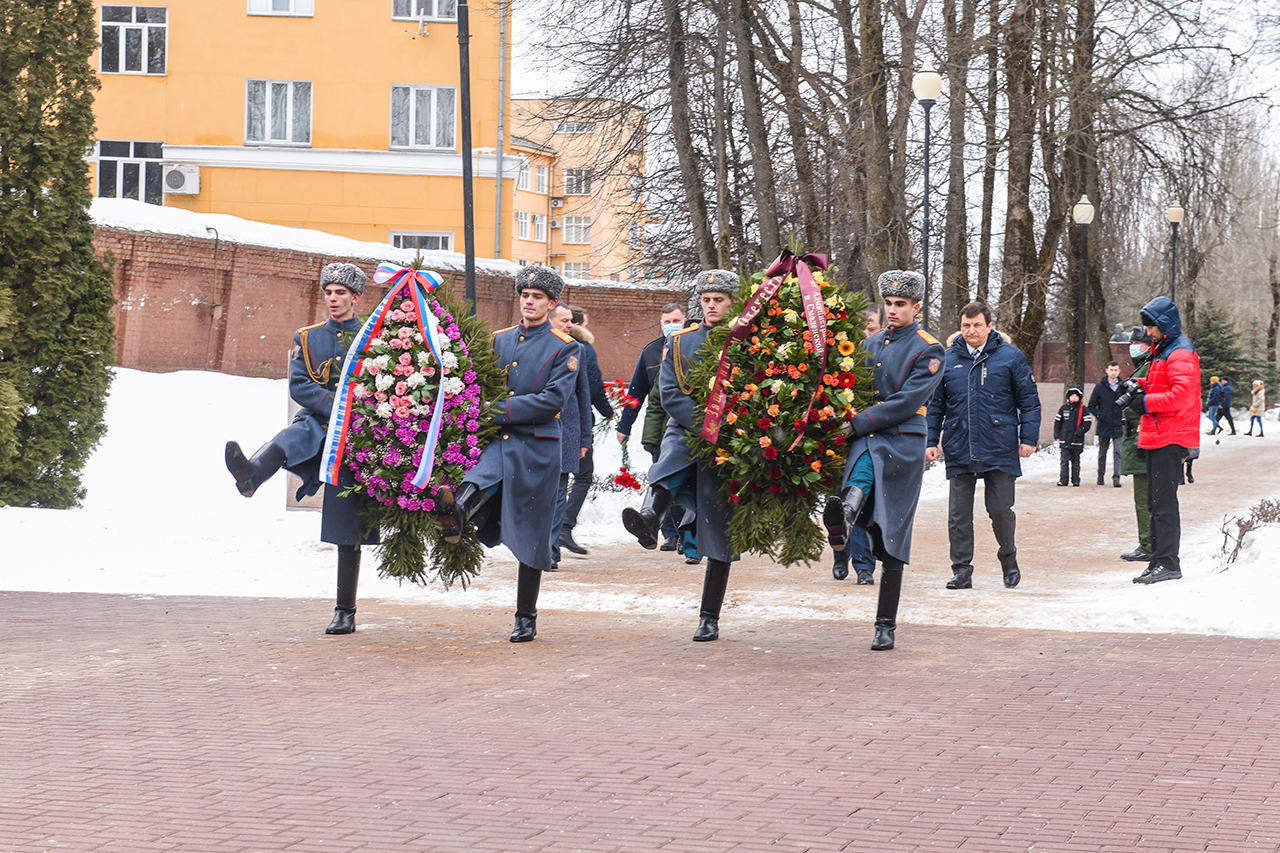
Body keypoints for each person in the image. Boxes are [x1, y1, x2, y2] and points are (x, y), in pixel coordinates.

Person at [224, 262, 376, 635]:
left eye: (340, 293)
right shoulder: (307, 338)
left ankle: (346, 610)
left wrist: (353, 413)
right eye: (328, 292)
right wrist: (335, 406)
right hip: (321, 420)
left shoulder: (376, 337)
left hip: (359, 430)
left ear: (356, 298)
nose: (333, 299)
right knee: (293, 435)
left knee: (347, 520)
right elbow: (301, 387)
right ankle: (252, 474)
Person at [435, 266, 580, 640]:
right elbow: (478, 382)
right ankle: (458, 512)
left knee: (532, 535)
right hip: (501, 438)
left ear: (551, 303)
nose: (529, 302)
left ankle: (525, 616)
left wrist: (493, 410)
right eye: (525, 295)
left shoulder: (566, 347)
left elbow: (551, 401)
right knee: (481, 472)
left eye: (537, 297)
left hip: (538, 444)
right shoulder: (499, 340)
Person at [823, 270, 945, 651]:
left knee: (893, 534)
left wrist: (857, 422)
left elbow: (907, 401)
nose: (892, 310)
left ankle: (885, 624)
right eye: (889, 304)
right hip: (866, 436)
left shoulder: (930, 349)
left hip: (902, 443)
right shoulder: (869, 344)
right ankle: (843, 516)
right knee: (859, 473)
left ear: (917, 307)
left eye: (900, 305)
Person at [622, 269, 739, 641]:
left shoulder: (748, 342)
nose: (711, 306)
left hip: (730, 439)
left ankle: (709, 618)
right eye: (706, 300)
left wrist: (722, 432)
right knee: (669, 460)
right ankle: (649, 518)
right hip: (687, 428)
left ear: (733, 302)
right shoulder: (681, 341)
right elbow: (669, 393)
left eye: (718, 300)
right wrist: (704, 426)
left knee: (720, 533)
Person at [926, 301, 1041, 591]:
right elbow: (935, 405)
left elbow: (1028, 401)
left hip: (999, 446)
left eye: (977, 325)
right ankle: (961, 570)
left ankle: (1008, 556)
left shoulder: (1010, 357)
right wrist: (930, 441)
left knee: (1000, 510)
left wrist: (1028, 438)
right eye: (966, 325)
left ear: (989, 326)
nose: (971, 330)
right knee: (958, 515)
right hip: (959, 444)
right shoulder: (948, 359)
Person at [1128, 295, 1201, 585]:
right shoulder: (1166, 350)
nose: (1148, 332)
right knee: (1156, 503)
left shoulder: (1179, 352)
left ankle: (1168, 562)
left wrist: (1144, 402)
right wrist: (1139, 385)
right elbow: (1165, 385)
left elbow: (1181, 395)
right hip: (1160, 434)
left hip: (1170, 436)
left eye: (1152, 327)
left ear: (1164, 325)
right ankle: (1159, 560)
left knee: (1164, 504)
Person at [616, 303, 687, 551]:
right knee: (662, 479)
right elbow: (637, 393)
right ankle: (669, 534)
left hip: (686, 427)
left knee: (680, 483)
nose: (671, 326)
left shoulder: (691, 346)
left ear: (685, 319)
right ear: (660, 324)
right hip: (659, 431)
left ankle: (686, 535)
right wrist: (625, 425)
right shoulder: (650, 353)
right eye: (667, 322)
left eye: (676, 320)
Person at [832, 303, 884, 585]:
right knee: (839, 500)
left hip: (867, 435)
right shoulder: (840, 352)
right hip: (837, 436)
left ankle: (864, 566)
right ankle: (840, 555)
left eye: (871, 327)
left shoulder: (881, 354)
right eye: (860, 327)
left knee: (861, 499)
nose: (865, 333)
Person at [558, 305, 614, 556]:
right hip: (576, 422)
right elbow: (592, 384)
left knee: (558, 478)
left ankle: (555, 533)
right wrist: (608, 411)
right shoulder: (582, 349)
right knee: (581, 475)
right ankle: (564, 527)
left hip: (554, 421)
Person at [548, 304, 592, 571]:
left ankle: (551, 550)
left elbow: (583, 394)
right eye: (564, 320)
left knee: (559, 493)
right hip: (537, 429)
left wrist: (584, 438)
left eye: (570, 320)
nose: (569, 324)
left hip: (568, 429)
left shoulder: (577, 350)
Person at [1119, 327, 1154, 563]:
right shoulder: (1144, 366)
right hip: (1138, 438)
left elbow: (1140, 404)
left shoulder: (1149, 367)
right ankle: (1149, 543)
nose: (1133, 346)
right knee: (1145, 497)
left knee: (1145, 499)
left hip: (1143, 439)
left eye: (1137, 343)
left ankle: (1149, 544)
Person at [1088, 362, 1124, 487]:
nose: (1113, 372)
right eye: (1111, 369)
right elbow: (1091, 405)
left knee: (1118, 452)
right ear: (1106, 370)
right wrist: (1100, 415)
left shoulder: (1123, 387)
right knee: (1103, 451)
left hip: (1118, 424)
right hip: (1104, 424)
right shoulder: (1100, 387)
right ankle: (1100, 476)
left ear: (1119, 371)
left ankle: (1116, 478)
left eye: (1115, 370)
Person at [1054, 386, 1093, 486]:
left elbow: (1087, 423)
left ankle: (1076, 479)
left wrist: (1078, 432)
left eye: (1076, 396)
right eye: (1072, 396)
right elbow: (1058, 423)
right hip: (1065, 440)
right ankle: (1063, 479)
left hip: (1077, 441)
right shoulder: (1063, 408)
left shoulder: (1083, 409)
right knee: (1064, 461)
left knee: (1075, 462)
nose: (1074, 398)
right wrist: (1057, 435)